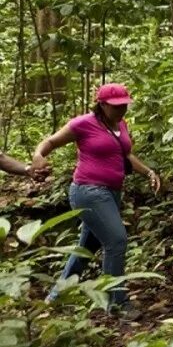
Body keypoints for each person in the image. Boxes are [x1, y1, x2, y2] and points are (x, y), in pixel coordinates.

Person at [32, 83, 161, 316]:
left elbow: (127, 154)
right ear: (101, 104)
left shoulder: (121, 124)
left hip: (112, 192)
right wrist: (38, 156)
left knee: (86, 248)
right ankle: (117, 302)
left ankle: (55, 297)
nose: (122, 110)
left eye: (125, 105)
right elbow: (50, 142)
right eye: (116, 106)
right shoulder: (83, 123)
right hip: (88, 192)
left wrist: (149, 172)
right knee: (117, 241)